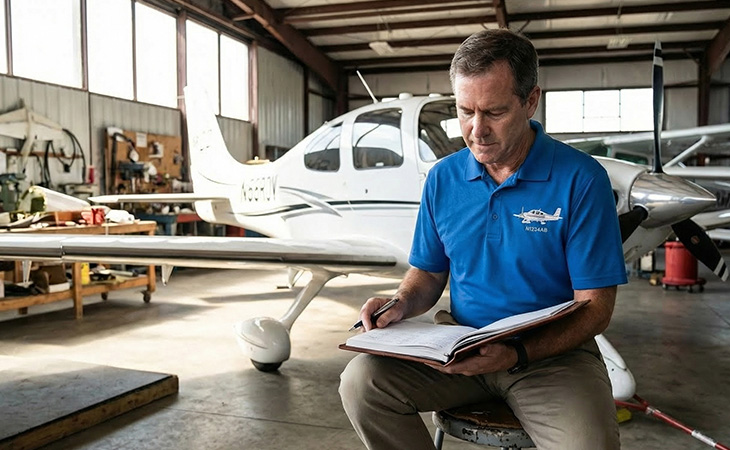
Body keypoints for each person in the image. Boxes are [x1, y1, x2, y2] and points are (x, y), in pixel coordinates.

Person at [339, 28, 628, 450]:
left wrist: (517, 354)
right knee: (361, 384)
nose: (476, 130)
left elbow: (596, 308)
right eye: (465, 111)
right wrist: (400, 302)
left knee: (590, 445)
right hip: (460, 348)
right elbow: (428, 274)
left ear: (530, 101)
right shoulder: (443, 178)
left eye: (493, 112)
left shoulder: (581, 180)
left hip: (551, 359)